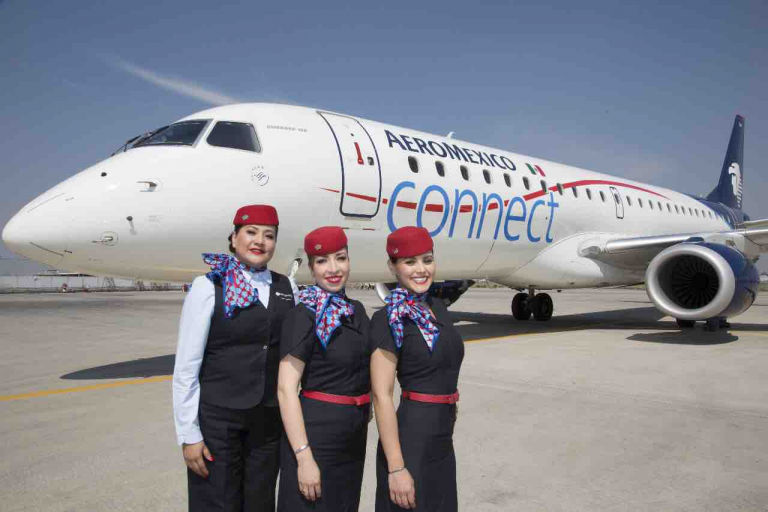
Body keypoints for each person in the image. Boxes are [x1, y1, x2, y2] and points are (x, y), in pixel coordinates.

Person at [172, 204, 298, 512]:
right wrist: (189, 434)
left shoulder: (287, 287)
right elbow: (187, 366)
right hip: (218, 421)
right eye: (251, 232)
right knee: (218, 502)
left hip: (268, 422)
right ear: (234, 238)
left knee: (260, 502)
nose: (259, 241)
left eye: (269, 235)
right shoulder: (208, 286)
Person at [277, 226, 372, 511]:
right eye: (322, 261)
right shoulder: (304, 315)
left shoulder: (357, 311)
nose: (333, 268)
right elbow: (285, 389)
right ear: (311, 268)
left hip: (353, 438)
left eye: (340, 258)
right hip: (316, 437)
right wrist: (304, 457)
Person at [370, 226, 464, 511]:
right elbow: (382, 396)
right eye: (410, 262)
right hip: (411, 440)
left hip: (442, 438)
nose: (421, 269)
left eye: (427, 260)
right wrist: (397, 468)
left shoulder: (438, 307)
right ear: (392, 267)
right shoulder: (389, 318)